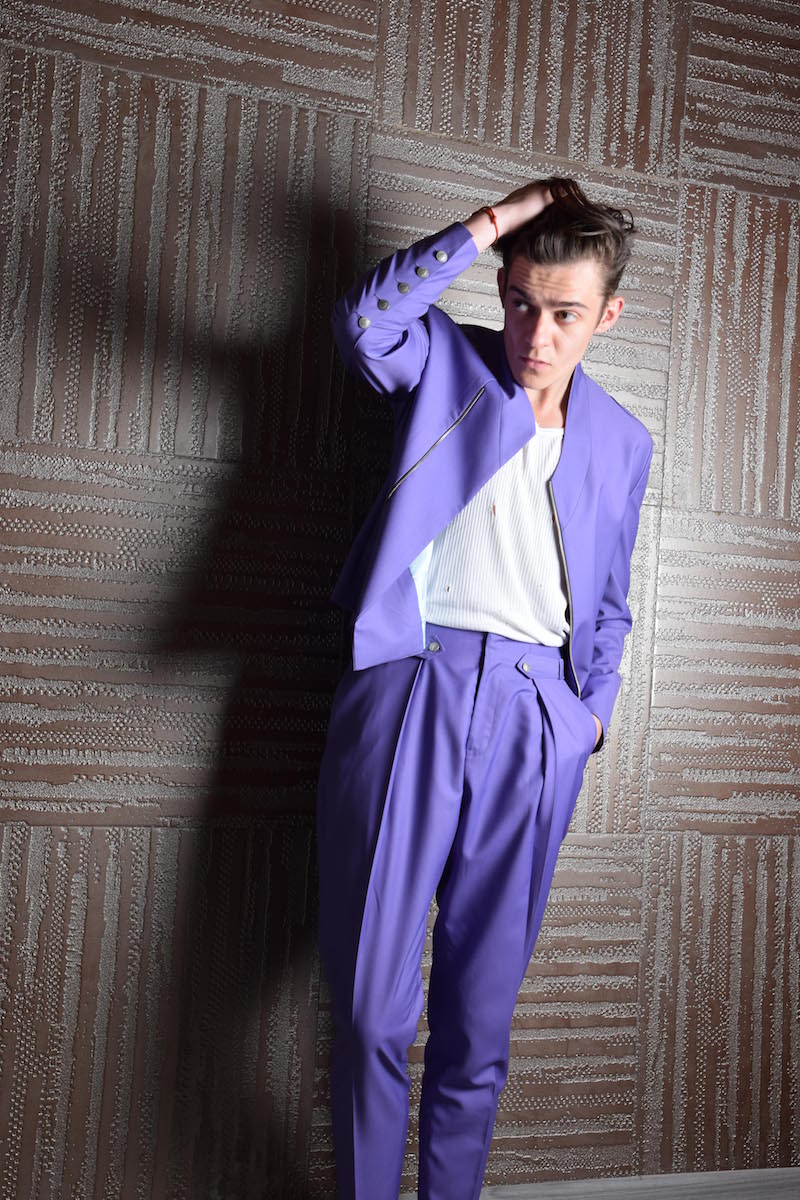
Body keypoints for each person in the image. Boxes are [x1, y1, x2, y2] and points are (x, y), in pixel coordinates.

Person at [315, 177, 653, 1200]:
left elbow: (607, 602)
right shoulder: (444, 364)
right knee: (370, 1010)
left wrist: (586, 720)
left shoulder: (623, 441)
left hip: (535, 717)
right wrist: (492, 223)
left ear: (605, 316)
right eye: (520, 304)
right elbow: (364, 323)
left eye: (564, 314)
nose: (536, 337)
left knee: (478, 1021)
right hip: (410, 690)